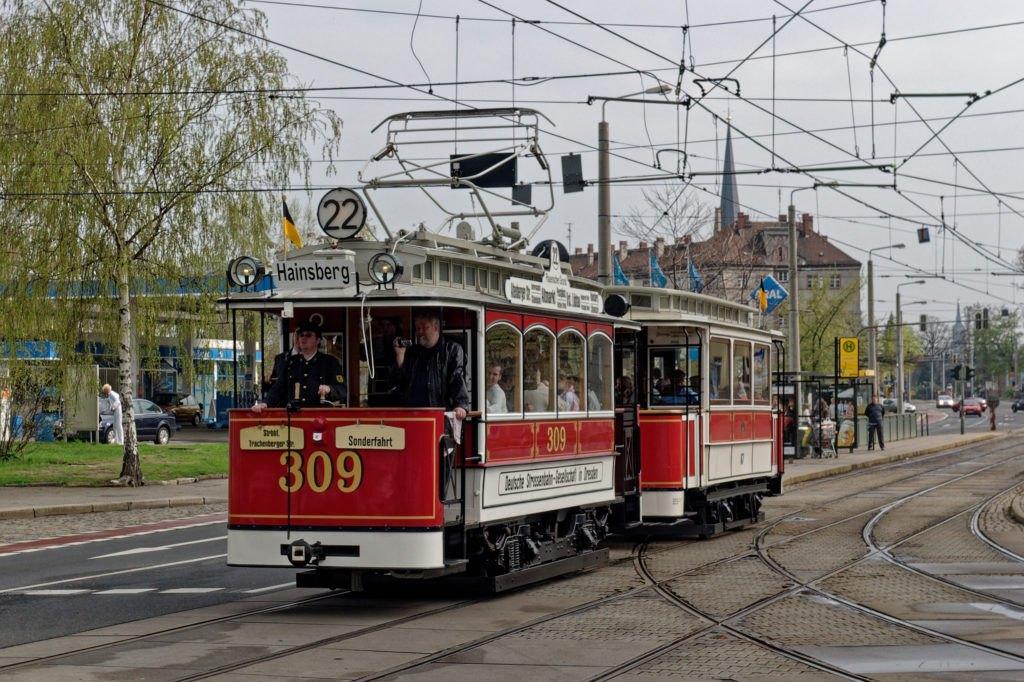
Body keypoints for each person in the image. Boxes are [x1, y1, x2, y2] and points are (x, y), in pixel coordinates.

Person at [253, 320, 346, 411]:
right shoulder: (291, 362)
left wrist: (329, 389)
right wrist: (265, 403)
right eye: (301, 335)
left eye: (308, 335)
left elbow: (342, 390)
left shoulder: (329, 362)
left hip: (320, 416)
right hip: (295, 416)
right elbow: (278, 388)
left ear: (318, 340)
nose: (303, 338)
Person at [392, 310, 469, 419]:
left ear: (436, 327)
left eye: (425, 327)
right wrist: (400, 356)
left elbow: (457, 377)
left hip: (439, 417)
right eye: (418, 328)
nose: (420, 332)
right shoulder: (412, 352)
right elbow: (399, 384)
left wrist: (461, 405)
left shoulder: (452, 349)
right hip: (412, 416)